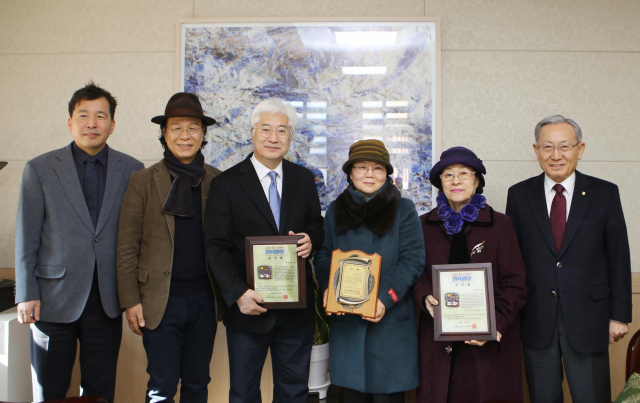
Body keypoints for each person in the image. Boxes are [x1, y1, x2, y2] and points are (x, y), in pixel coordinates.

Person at [14, 82, 144, 402]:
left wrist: (133, 296)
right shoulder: (39, 169)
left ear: (112, 125)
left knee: (99, 390)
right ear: (70, 122)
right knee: (49, 388)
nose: (91, 123)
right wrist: (27, 293)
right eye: (83, 115)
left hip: (106, 300)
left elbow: (135, 238)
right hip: (51, 300)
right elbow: (27, 234)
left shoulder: (132, 170)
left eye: (101, 116)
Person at [204, 98, 324, 403]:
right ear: (252, 132)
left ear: (290, 136)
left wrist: (311, 238)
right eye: (266, 129)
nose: (274, 138)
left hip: (295, 310)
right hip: (249, 307)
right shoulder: (226, 184)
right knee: (243, 393)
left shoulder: (303, 179)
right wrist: (238, 294)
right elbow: (215, 246)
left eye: (281, 131)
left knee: (294, 390)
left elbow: (316, 225)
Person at [506, 115, 631, 403]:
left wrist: (620, 315)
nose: (556, 155)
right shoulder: (519, 194)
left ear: (580, 149)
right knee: (543, 397)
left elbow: (618, 256)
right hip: (536, 318)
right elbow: (512, 259)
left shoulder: (604, 193)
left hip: (590, 318)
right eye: (547, 147)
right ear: (536, 151)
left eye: (564, 146)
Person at [115, 92, 224, 403]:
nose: (185, 135)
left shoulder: (216, 182)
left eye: (193, 128)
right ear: (164, 133)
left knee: (197, 384)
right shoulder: (143, 181)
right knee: (161, 387)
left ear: (203, 135)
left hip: (205, 300)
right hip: (158, 302)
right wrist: (130, 301)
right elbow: (126, 246)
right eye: (176, 127)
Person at [314, 139, 425, 403]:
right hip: (347, 324)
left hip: (390, 326)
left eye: (377, 168)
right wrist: (328, 286)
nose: (369, 174)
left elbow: (413, 260)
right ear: (350, 173)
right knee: (350, 395)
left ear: (387, 173)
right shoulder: (335, 210)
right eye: (361, 167)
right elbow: (323, 255)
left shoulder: (404, 209)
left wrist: (385, 300)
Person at [414, 146, 527, 403]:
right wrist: (424, 295)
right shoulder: (422, 225)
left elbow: (515, 283)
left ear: (477, 181)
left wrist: (495, 323)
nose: (456, 180)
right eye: (448, 174)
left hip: (489, 341)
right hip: (437, 340)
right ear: (439, 182)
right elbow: (415, 274)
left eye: (464, 173)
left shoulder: (500, 224)